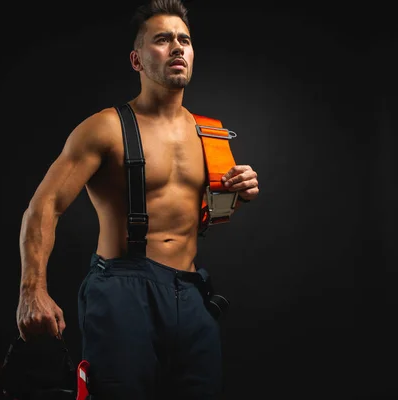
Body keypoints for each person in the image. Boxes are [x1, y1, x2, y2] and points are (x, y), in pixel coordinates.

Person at [16, 0, 259, 398]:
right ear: (137, 59)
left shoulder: (211, 134)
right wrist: (32, 291)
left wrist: (236, 192)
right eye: (162, 40)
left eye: (184, 40)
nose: (177, 48)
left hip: (192, 295)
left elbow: (193, 214)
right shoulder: (104, 128)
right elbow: (43, 208)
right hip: (122, 290)